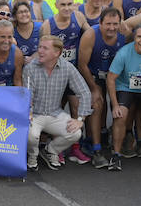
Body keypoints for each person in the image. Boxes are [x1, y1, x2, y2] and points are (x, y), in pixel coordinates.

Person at [23, 35, 92, 171]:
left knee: (76, 132)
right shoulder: (30, 68)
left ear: (57, 53)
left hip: (55, 113)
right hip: (34, 114)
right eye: (40, 47)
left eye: (45, 48)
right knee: (31, 135)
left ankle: (51, 150)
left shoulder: (67, 68)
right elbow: (27, 96)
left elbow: (84, 92)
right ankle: (33, 155)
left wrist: (80, 119)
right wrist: (28, 114)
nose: (40, 51)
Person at [107, 22, 141, 169]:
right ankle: (116, 154)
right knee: (120, 116)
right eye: (139, 37)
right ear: (134, 38)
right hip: (126, 88)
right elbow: (111, 78)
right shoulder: (123, 53)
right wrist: (115, 104)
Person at [77, 7, 126, 166]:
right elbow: (82, 65)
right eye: (108, 24)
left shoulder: (125, 34)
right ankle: (96, 149)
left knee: (121, 106)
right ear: (100, 23)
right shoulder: (91, 34)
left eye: (115, 24)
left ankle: (118, 138)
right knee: (97, 104)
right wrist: (93, 88)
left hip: (115, 77)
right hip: (94, 76)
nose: (112, 28)